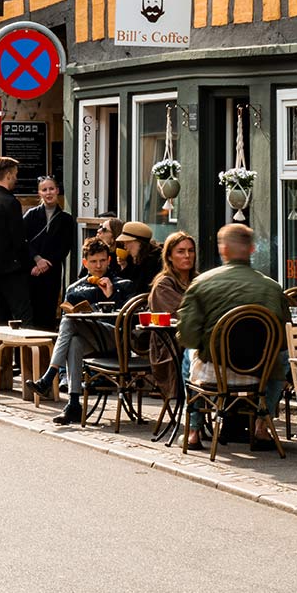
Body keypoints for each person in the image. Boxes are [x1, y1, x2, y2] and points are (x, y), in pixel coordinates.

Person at [176, 224, 290, 451]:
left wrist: (209, 343)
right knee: (284, 357)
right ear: (252, 250)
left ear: (224, 250)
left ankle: (194, 430)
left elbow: (187, 337)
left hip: (214, 372)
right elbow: (284, 338)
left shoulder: (202, 284)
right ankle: (261, 424)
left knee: (189, 355)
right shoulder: (272, 288)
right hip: (259, 375)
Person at [25, 240, 135, 425]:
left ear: (109, 260)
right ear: (85, 263)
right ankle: (74, 404)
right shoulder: (75, 289)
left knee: (69, 320)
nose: (98, 266)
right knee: (73, 339)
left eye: (102, 260)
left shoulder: (123, 285)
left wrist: (112, 296)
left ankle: (48, 378)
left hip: (116, 340)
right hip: (90, 345)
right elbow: (64, 336)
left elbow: (129, 320)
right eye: (93, 261)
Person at [0, 156, 33, 325]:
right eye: (15, 174)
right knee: (24, 317)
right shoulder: (11, 203)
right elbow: (18, 240)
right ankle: (26, 352)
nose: (16, 178)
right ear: (8, 175)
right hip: (11, 270)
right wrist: (28, 264)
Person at [146, 231, 198, 405]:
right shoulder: (163, 285)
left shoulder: (199, 280)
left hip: (195, 339)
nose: (187, 256)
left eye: (191, 251)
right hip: (170, 347)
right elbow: (183, 314)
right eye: (181, 251)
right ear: (169, 256)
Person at [23, 175, 76, 330]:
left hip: (51, 271)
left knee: (48, 310)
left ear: (57, 190)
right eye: (44, 190)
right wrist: (36, 259)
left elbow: (65, 246)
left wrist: (47, 263)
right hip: (31, 271)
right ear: (39, 193)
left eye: (51, 189)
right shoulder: (31, 214)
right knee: (31, 311)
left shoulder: (66, 219)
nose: (48, 193)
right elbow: (22, 240)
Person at [114, 222, 162, 292]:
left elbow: (138, 288)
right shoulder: (137, 259)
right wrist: (124, 266)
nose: (125, 247)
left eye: (127, 242)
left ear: (139, 242)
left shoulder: (152, 261)